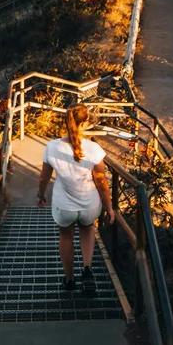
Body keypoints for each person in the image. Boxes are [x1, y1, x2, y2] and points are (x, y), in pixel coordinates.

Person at [37, 104, 114, 295]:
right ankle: (87, 268)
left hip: (64, 207)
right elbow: (101, 181)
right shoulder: (94, 148)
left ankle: (69, 280)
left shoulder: (52, 147)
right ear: (85, 122)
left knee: (66, 237)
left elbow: (44, 177)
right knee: (88, 230)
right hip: (89, 205)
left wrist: (41, 195)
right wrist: (109, 207)